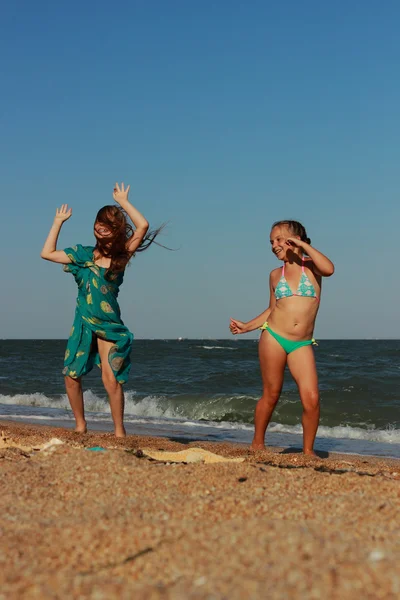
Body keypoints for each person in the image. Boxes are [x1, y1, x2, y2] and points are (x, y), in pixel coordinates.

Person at [41, 182, 161, 437]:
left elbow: (143, 226)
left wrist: (124, 203)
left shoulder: (121, 256)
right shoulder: (82, 255)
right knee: (71, 374)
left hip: (108, 325)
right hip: (83, 321)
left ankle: (119, 431)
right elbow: (47, 253)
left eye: (107, 224)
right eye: (99, 221)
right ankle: (80, 425)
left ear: (116, 230)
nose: (100, 226)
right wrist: (58, 221)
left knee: (110, 378)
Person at [230, 220, 334, 455]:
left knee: (312, 398)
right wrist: (247, 326)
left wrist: (302, 246)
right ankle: (257, 443)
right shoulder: (276, 275)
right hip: (274, 337)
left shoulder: (313, 269)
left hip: (302, 343)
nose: (273, 245)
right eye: (271, 242)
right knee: (272, 394)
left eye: (278, 240)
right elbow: (272, 309)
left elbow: (330, 269)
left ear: (294, 240)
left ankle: (308, 452)